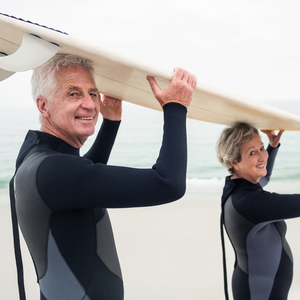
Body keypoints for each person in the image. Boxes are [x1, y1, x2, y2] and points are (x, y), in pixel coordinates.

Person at [10, 54, 197, 300]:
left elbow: (82, 174)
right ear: (43, 106)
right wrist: (175, 107)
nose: (90, 104)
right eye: (73, 94)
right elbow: (168, 183)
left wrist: (111, 122)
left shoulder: (36, 158)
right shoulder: (54, 171)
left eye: (93, 93)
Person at [216, 121, 300, 300]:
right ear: (235, 162)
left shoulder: (237, 186)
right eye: (252, 152)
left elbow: (264, 177)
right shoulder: (251, 203)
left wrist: (272, 147)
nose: (263, 156)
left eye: (261, 148)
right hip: (259, 293)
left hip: (256, 287)